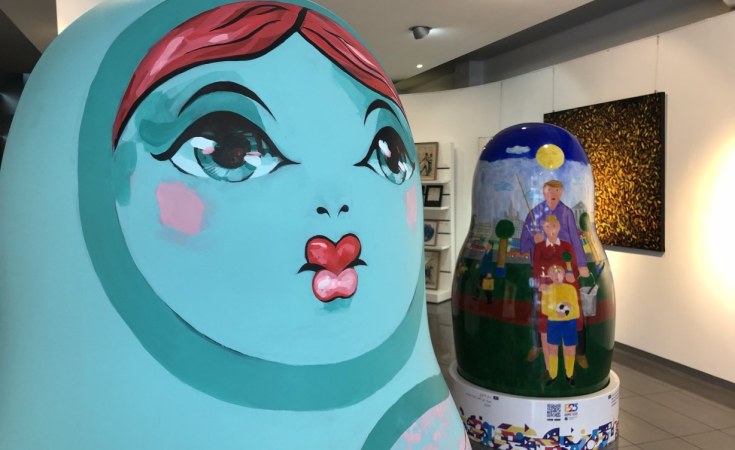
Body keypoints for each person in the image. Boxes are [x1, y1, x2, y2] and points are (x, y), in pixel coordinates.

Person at [521, 180, 589, 367]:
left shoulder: (567, 213)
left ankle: (579, 351)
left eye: (557, 190)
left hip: (565, 270)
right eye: (550, 190)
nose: (553, 193)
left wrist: (581, 265)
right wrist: (534, 240)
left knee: (574, 308)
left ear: (561, 192)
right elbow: (523, 245)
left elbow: (575, 240)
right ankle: (538, 346)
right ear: (544, 192)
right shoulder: (534, 214)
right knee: (540, 309)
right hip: (542, 271)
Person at [540, 265, 581, 386]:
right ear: (550, 276)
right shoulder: (548, 290)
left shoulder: (570, 289)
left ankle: (569, 375)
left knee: (570, 349)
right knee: (553, 349)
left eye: (558, 273)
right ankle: (553, 375)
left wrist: (566, 313)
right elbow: (544, 309)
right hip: (553, 323)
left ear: (563, 275)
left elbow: (576, 311)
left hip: (569, 323)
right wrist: (556, 313)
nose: (556, 276)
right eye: (553, 273)